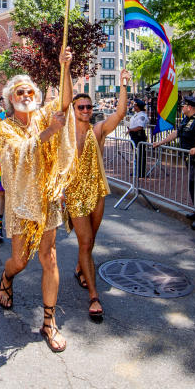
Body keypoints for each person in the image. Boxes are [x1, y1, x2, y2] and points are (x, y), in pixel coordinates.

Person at [0, 48, 76, 353]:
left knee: (49, 257)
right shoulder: (4, 128)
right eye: (19, 91)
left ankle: (49, 321)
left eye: (29, 90)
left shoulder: (44, 115)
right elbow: (16, 152)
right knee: (20, 260)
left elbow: (65, 102)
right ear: (10, 98)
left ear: (36, 95)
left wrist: (64, 67)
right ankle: (6, 276)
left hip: (48, 199)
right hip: (19, 204)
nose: (25, 94)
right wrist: (48, 133)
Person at [65, 69, 130, 319]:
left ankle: (82, 268)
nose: (85, 111)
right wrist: (67, 68)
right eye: (80, 107)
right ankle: (94, 296)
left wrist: (123, 84)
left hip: (97, 192)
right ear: (73, 109)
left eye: (88, 107)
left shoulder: (98, 131)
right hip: (75, 195)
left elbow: (121, 113)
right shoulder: (65, 135)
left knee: (91, 239)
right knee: (86, 241)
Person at [153, 96, 195, 230]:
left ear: (189, 107)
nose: (182, 108)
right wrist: (160, 142)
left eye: (184, 105)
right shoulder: (187, 119)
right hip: (188, 157)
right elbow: (176, 133)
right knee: (193, 185)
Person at [127, 99, 149, 178]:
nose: (134, 106)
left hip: (138, 136)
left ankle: (141, 172)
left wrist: (130, 130)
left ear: (138, 107)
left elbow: (140, 127)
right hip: (134, 136)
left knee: (140, 155)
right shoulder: (137, 114)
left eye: (135, 105)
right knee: (136, 155)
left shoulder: (142, 116)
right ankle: (136, 170)